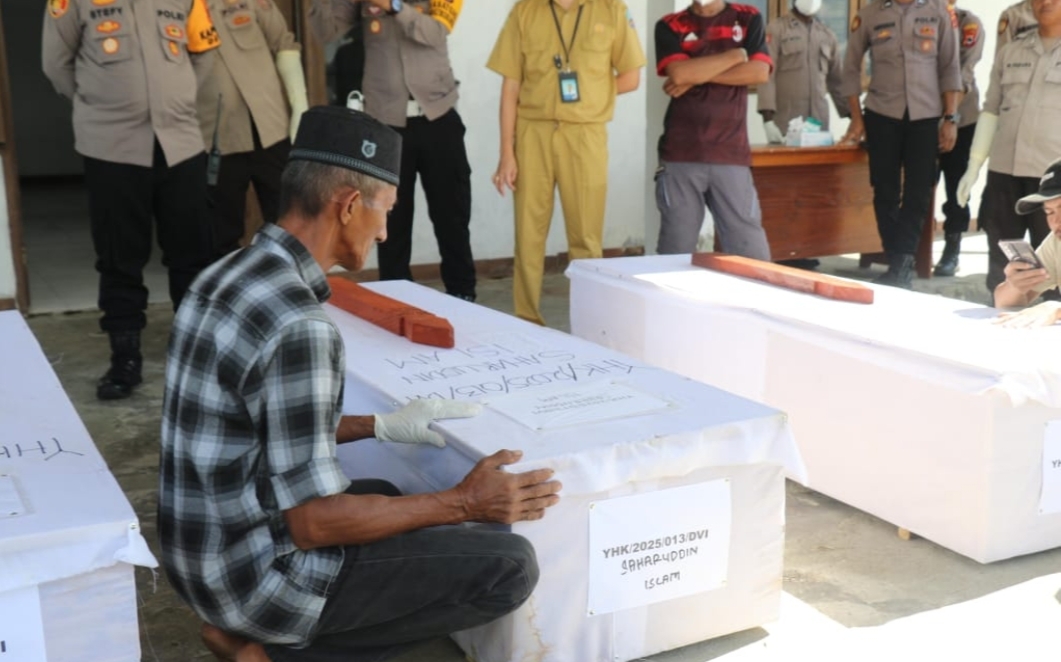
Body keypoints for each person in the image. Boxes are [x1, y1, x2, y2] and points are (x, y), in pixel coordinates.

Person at [159, 106, 562, 662]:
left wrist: (380, 425)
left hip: (197, 557)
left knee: (387, 497)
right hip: (252, 581)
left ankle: (245, 631)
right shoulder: (300, 325)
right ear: (348, 205)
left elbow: (256, 427)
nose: (385, 231)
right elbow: (312, 525)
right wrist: (464, 502)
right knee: (510, 568)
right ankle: (272, 652)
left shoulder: (224, 274)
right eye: (386, 211)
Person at [42, 0, 220, 400]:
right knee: (119, 257)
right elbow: (56, 65)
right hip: (112, 148)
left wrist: (178, 101)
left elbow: (203, 54)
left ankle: (196, 353)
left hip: (181, 143)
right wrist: (99, 106)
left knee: (193, 253)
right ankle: (125, 359)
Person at [487, 0, 646, 326]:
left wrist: (591, 96)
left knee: (586, 238)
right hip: (533, 133)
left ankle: (590, 325)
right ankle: (526, 320)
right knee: (528, 236)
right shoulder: (525, 11)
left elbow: (631, 77)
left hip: (585, 134)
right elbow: (510, 87)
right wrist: (506, 152)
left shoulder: (611, 10)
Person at [309, 0, 477, 302]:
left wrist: (393, 5)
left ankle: (463, 293)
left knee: (452, 215)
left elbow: (435, 33)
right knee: (389, 222)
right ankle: (398, 300)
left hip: (438, 117)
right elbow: (325, 31)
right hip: (387, 123)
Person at [840, 0, 962, 289]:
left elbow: (950, 67)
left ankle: (902, 260)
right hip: (882, 115)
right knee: (885, 190)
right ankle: (898, 259)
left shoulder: (939, 12)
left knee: (919, 191)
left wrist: (950, 118)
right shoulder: (870, 14)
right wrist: (856, 118)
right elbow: (850, 68)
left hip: (925, 116)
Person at [653, 0, 773, 259]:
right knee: (675, 251)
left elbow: (759, 72)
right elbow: (679, 74)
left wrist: (697, 75)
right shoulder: (669, 25)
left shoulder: (748, 18)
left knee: (750, 251)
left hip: (731, 153)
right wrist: (736, 56)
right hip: (681, 154)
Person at [957, 0, 1061, 295]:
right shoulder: (1012, 50)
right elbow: (991, 110)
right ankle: (999, 311)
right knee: (1003, 257)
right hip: (1004, 171)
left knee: (1051, 263)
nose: (1045, 2)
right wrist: (974, 166)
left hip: (1051, 180)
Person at [199, 0, 309, 258]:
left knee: (290, 224)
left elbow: (284, 44)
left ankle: (293, 282)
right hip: (217, 138)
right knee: (221, 232)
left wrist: (299, 105)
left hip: (270, 129)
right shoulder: (175, 6)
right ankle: (229, 284)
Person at [932, 2, 984, 277]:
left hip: (962, 118)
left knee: (956, 187)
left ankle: (952, 249)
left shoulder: (968, 23)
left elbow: (965, 71)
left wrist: (949, 117)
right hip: (924, 116)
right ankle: (914, 250)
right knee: (919, 186)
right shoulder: (920, 18)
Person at [757, 0, 846, 144]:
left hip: (819, 126)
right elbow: (766, 75)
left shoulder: (827, 34)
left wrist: (855, 119)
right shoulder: (777, 29)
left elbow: (838, 82)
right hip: (787, 124)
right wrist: (767, 121)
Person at [992, 158, 1061, 327]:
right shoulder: (1055, 242)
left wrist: (1056, 310)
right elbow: (1004, 303)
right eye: (1049, 212)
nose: (1056, 221)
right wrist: (1014, 285)